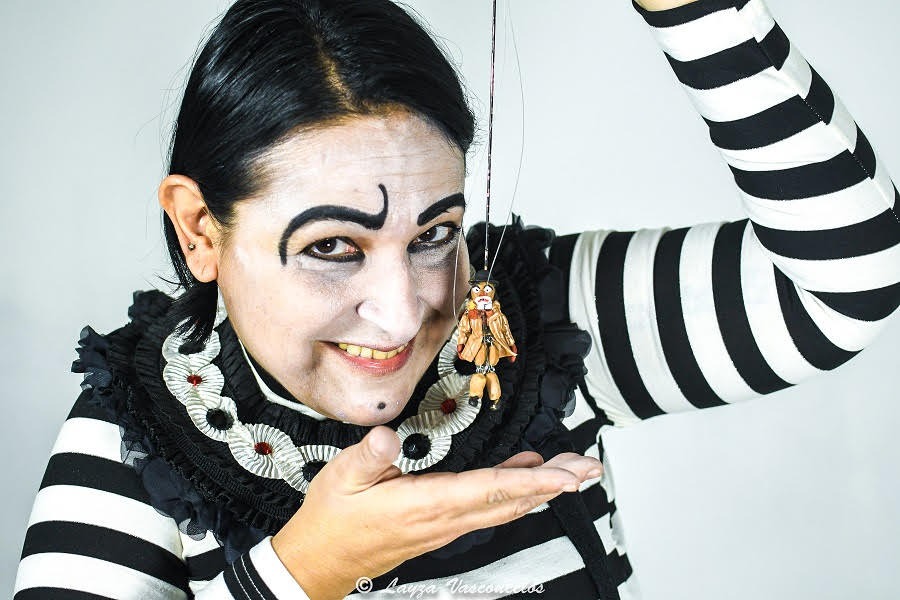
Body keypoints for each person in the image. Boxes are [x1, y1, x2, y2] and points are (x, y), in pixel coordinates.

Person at [13, 0, 899, 598]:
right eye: (332, 248)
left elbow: (849, 278)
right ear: (199, 229)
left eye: (435, 233)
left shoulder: (535, 325)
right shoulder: (135, 438)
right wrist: (300, 575)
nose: (406, 315)